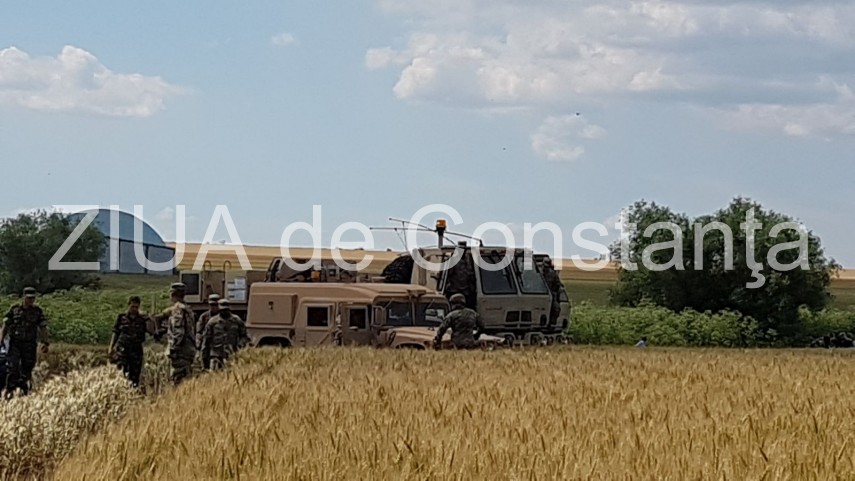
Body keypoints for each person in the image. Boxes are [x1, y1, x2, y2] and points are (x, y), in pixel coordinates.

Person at [1, 287, 50, 398]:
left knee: (26, 370)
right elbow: (5, 325)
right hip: (15, 344)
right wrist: (1, 340)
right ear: (23, 297)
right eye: (28, 298)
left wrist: (45, 343)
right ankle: (9, 393)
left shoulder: (37, 311)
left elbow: (43, 327)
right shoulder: (14, 309)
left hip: (29, 345)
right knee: (12, 368)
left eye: (32, 298)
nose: (31, 300)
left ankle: (24, 393)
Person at [108, 296, 158, 388]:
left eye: (136, 307)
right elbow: (115, 333)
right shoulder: (121, 317)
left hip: (136, 350)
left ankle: (133, 392)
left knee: (135, 374)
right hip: (123, 349)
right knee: (121, 371)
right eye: (132, 306)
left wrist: (150, 319)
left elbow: (152, 332)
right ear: (128, 305)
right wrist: (111, 347)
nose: (134, 309)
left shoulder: (142, 319)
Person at [158, 282, 197, 385]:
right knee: (187, 379)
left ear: (172, 294)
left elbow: (178, 331)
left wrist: (173, 349)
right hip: (188, 349)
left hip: (181, 351)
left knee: (178, 380)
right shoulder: (188, 309)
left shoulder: (177, 309)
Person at [201, 299, 250, 370]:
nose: (224, 312)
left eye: (225, 310)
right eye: (222, 310)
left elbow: (244, 336)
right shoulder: (212, 322)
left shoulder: (236, 321)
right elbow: (206, 341)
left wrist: (240, 346)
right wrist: (204, 361)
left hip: (232, 355)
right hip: (216, 356)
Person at [195, 294, 221, 369]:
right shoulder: (204, 316)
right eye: (211, 305)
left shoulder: (223, 316)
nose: (213, 307)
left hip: (218, 346)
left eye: (215, 305)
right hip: (206, 344)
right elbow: (199, 332)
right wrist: (198, 344)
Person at [541, 259, 563, 326]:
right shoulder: (538, 273)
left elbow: (558, 284)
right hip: (539, 293)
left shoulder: (552, 274)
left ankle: (552, 324)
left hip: (550, 294)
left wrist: (554, 292)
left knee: (556, 308)